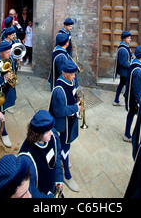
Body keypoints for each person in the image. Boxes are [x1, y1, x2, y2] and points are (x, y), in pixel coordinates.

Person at [49, 58, 82, 192]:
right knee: (64, 148)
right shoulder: (59, 90)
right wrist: (75, 108)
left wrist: (77, 101)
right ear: (65, 73)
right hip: (62, 125)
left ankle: (64, 159)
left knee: (66, 146)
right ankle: (67, 175)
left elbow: (73, 94)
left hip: (70, 121)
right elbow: (59, 111)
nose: (74, 76)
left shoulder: (71, 81)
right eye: (72, 74)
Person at [18, 110, 64, 197]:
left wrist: (59, 178)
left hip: (52, 185)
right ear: (38, 134)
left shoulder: (52, 136)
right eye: (47, 132)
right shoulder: (27, 158)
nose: (51, 133)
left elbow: (56, 158)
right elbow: (29, 190)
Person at [0, 40, 17, 147]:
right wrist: (4, 79)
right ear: (1, 53)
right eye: (7, 52)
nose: (10, 54)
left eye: (10, 51)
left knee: (4, 111)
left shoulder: (10, 59)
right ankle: (2, 131)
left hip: (8, 90)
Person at [123, 45, 141, 142]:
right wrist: (139, 102)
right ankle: (135, 136)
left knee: (131, 114)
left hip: (133, 98)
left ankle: (127, 133)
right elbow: (137, 89)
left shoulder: (134, 64)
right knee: (140, 118)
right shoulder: (137, 70)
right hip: (136, 99)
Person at [113, 31, 133, 106]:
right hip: (125, 72)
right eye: (128, 38)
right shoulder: (123, 49)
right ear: (124, 39)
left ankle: (116, 100)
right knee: (129, 85)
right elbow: (123, 63)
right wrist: (132, 64)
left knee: (122, 85)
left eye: (130, 38)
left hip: (125, 71)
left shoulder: (125, 47)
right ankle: (125, 98)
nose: (130, 39)